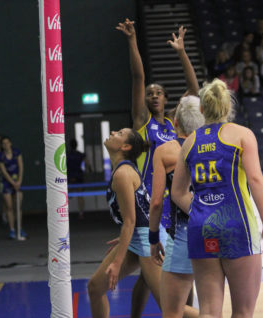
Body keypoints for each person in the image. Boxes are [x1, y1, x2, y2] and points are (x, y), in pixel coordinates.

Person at [116, 18, 199, 317]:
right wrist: (132, 40)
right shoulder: (142, 122)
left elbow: (193, 90)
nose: (152, 94)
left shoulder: (174, 124)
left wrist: (181, 51)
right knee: (159, 271)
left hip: (172, 203)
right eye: (150, 92)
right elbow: (138, 78)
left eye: (158, 92)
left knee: (157, 270)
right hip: (148, 204)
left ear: (165, 99)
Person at [171, 78, 263, 318]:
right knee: (243, 312)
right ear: (228, 107)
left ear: (201, 109)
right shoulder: (242, 135)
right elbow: (256, 180)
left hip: (202, 227)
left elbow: (177, 193)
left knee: (208, 311)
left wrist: (201, 211)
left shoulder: (190, 142)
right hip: (236, 224)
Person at [88, 128, 162, 317]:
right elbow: (137, 214)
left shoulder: (123, 174)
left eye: (119, 133)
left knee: (170, 307)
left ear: (125, 146)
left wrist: (117, 262)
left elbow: (130, 220)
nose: (113, 132)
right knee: (95, 288)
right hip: (136, 238)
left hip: (146, 242)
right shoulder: (122, 169)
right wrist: (123, 239)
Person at [149, 96, 205, 318]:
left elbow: (156, 202)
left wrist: (154, 238)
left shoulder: (165, 151)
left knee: (171, 311)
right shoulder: (213, 147)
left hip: (183, 237)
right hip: (215, 230)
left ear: (175, 124)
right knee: (210, 306)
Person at [0, 136, 27, 239]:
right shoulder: (0, 156)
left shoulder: (16, 152)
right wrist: (12, 183)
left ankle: (20, 228)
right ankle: (12, 230)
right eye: (3, 143)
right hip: (6, 183)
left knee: (18, 206)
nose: (6, 145)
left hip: (17, 182)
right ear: (1, 145)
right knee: (9, 207)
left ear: (10, 143)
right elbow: (4, 172)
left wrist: (19, 181)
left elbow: (21, 166)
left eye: (7, 142)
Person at [67, 138, 92, 220]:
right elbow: (88, 163)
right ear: (76, 145)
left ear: (70, 145)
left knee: (65, 195)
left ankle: (63, 213)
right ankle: (81, 213)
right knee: (80, 195)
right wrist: (90, 170)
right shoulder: (80, 154)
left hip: (70, 176)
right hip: (78, 176)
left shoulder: (67, 154)